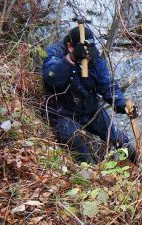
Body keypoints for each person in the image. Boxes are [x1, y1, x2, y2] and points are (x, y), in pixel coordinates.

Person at [42, 26, 136, 164]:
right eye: (86, 53)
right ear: (70, 46)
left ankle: (139, 165)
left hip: (90, 109)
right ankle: (92, 176)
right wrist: (71, 59)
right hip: (63, 113)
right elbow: (50, 79)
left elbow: (107, 86)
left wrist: (122, 104)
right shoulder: (55, 53)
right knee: (80, 151)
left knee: (119, 140)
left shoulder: (94, 57)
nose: (89, 56)